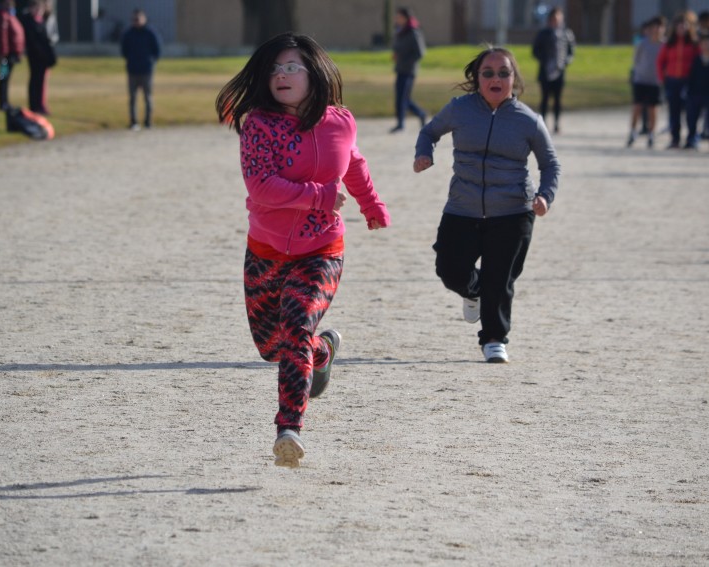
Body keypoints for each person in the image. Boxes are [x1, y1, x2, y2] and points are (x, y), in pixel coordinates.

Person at [214, 32, 391, 467]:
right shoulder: (258, 124)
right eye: (274, 68)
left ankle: (288, 428)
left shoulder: (341, 121)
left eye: (291, 66)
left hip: (322, 250)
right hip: (266, 251)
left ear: (314, 72)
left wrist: (371, 204)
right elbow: (261, 186)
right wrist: (321, 195)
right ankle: (322, 350)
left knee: (294, 328)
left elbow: (355, 162)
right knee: (272, 346)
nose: (281, 75)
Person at [414, 46, 560, 364]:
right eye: (488, 73)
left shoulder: (528, 121)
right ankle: (473, 291)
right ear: (477, 78)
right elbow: (429, 132)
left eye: (504, 73)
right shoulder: (459, 109)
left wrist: (545, 196)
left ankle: (494, 339)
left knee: (500, 277)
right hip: (463, 207)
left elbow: (550, 164)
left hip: (513, 210)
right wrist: (423, 153)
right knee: (449, 270)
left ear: (514, 79)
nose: (496, 78)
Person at [656, 12, 699, 149]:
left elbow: (698, 63)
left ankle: (692, 139)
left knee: (691, 112)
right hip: (672, 81)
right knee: (674, 112)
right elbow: (660, 62)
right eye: (679, 26)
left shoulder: (693, 43)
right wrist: (663, 79)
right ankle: (675, 139)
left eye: (684, 26)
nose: (682, 28)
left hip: (688, 81)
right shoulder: (669, 43)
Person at [532, 6, 575, 134]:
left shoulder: (567, 33)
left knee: (557, 99)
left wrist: (565, 62)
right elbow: (535, 51)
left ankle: (556, 124)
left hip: (559, 71)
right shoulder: (543, 33)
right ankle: (543, 123)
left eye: (559, 19)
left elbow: (571, 52)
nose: (556, 21)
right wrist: (545, 61)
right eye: (554, 19)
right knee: (544, 98)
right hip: (545, 71)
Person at [627, 16, 665, 148]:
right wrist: (637, 74)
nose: (656, 29)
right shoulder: (642, 43)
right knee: (637, 107)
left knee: (653, 109)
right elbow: (636, 60)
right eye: (654, 26)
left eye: (659, 27)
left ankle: (651, 133)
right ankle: (632, 132)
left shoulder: (664, 45)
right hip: (641, 80)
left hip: (656, 81)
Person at [120, 9, 161, 130]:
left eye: (138, 19)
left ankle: (148, 122)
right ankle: (134, 122)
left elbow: (157, 50)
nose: (136, 21)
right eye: (134, 19)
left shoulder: (150, 33)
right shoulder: (128, 34)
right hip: (132, 70)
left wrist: (150, 62)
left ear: (144, 19)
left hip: (146, 70)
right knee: (132, 97)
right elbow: (124, 50)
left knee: (147, 97)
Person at [390, 7, 427, 133]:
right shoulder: (400, 31)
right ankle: (405, 120)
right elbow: (398, 47)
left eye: (399, 16)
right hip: (400, 69)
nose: (396, 19)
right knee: (400, 97)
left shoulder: (413, 32)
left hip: (409, 70)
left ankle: (416, 115)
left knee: (403, 98)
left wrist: (406, 60)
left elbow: (420, 53)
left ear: (406, 17)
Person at [19, 0, 57, 115]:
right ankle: (35, 105)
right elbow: (34, 41)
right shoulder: (29, 22)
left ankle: (40, 105)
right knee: (3, 76)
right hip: (31, 57)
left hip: (42, 58)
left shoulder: (42, 21)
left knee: (40, 81)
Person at [0, 0, 25, 111]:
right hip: (5, 56)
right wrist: (3, 54)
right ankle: (3, 103)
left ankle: (5, 102)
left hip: (10, 55)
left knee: (5, 78)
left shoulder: (9, 16)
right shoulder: (3, 17)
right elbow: (3, 38)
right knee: (3, 78)